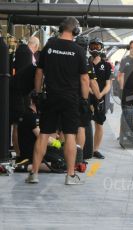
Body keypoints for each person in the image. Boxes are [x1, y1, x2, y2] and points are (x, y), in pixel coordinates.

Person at [25, 16, 89, 185]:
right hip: (71, 99)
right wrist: (84, 100)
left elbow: (39, 73)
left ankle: (34, 174)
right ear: (76, 31)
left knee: (44, 135)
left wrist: (37, 93)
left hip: (51, 97)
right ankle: (70, 176)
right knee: (69, 136)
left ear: (61, 28)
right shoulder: (79, 51)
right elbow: (84, 79)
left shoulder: (50, 46)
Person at [12, 36, 40, 159]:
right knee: (18, 123)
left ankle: (19, 152)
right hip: (20, 95)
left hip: (18, 93)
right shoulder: (25, 53)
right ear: (36, 46)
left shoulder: (22, 53)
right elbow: (23, 78)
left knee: (18, 123)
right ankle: (19, 153)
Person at [88, 38, 112, 159]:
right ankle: (82, 148)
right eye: (93, 46)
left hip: (100, 98)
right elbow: (82, 80)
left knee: (99, 123)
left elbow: (108, 84)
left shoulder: (106, 65)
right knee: (83, 123)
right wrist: (91, 91)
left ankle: (95, 150)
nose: (95, 49)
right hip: (86, 96)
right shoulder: (85, 62)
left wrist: (100, 95)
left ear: (101, 47)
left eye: (97, 46)